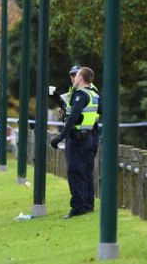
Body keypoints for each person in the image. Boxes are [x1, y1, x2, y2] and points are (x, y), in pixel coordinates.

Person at [50, 67, 101, 219]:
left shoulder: (80, 94)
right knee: (86, 171)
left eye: (76, 75)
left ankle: (78, 207)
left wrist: (60, 138)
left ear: (81, 78)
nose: (74, 78)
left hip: (79, 140)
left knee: (75, 172)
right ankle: (88, 205)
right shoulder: (94, 93)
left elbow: (72, 118)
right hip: (90, 137)